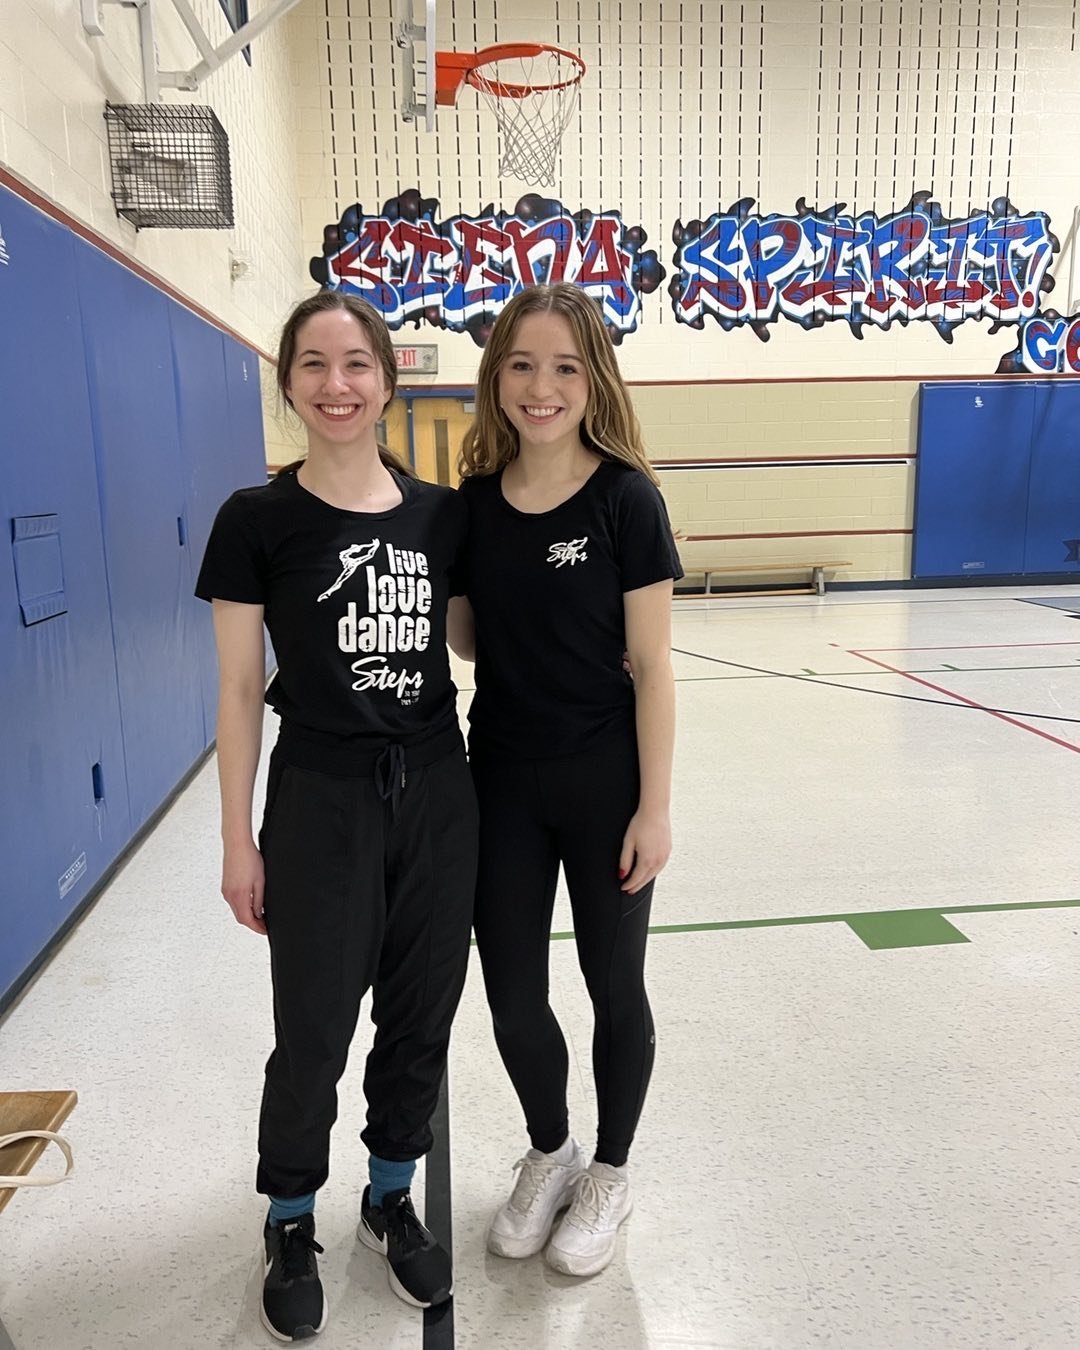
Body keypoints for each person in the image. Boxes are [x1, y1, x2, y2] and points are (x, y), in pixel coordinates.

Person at [195, 291, 478, 1342]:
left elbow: (474, 644)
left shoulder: (443, 515)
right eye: (312, 364)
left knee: (418, 1015)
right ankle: (288, 1215)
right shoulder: (255, 521)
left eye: (356, 362)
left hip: (438, 793)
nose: (337, 383)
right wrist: (238, 840)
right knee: (311, 1028)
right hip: (319, 797)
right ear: (289, 386)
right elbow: (234, 693)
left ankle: (390, 1197)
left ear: (388, 380)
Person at [449, 282, 681, 1278]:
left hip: (604, 781)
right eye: (522, 365)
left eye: (564, 368)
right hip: (498, 777)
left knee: (612, 983)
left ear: (594, 382)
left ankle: (612, 1174)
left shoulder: (627, 499)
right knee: (509, 991)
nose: (541, 387)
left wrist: (656, 808)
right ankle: (551, 1150)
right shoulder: (468, 507)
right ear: (497, 375)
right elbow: (464, 642)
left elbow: (656, 665)